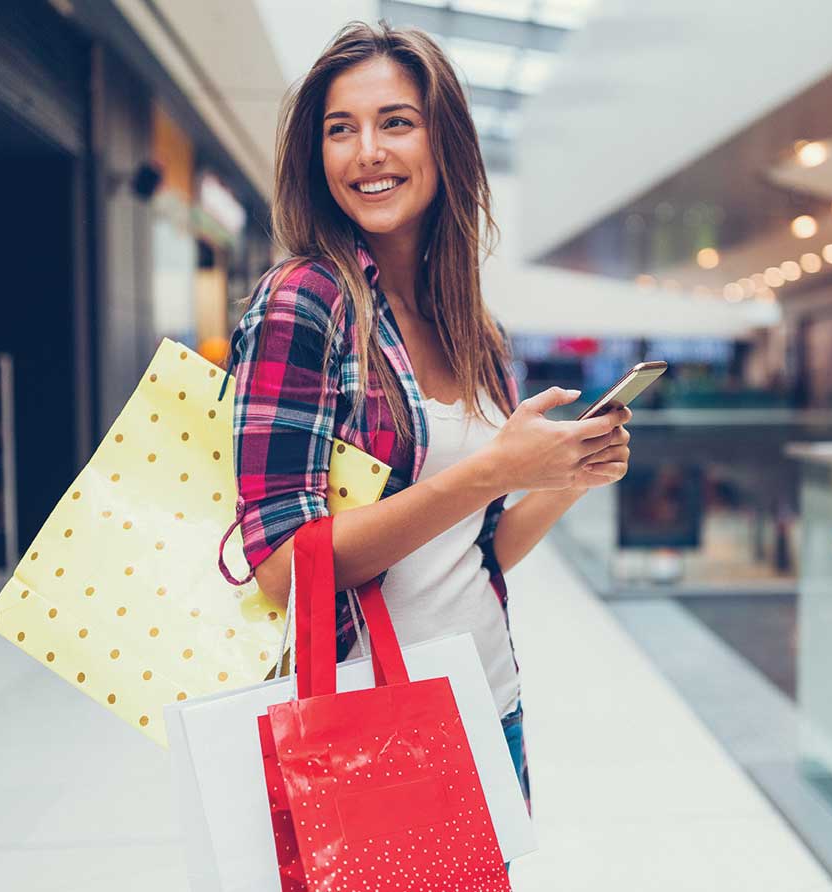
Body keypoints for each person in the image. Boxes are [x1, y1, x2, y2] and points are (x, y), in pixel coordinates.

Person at [218, 20, 631, 822]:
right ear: (318, 157)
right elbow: (281, 568)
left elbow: (475, 552)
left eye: (395, 122)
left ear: (446, 144)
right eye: (341, 130)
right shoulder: (307, 302)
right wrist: (493, 469)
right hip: (368, 724)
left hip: (491, 702)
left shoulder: (475, 327)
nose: (366, 151)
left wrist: (567, 479)